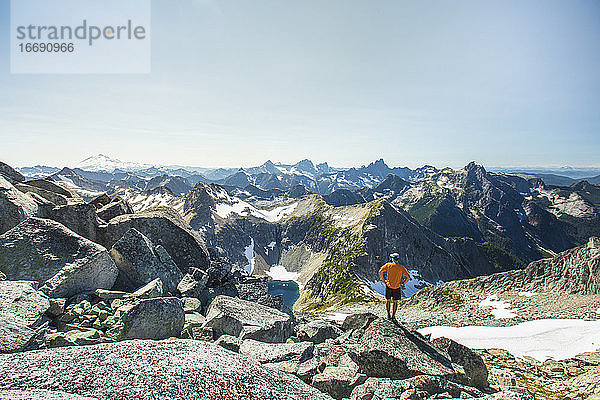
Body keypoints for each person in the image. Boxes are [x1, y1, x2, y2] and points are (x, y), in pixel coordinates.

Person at [379, 253, 410, 320]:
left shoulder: (388, 265)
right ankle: (393, 316)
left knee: (388, 300)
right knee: (395, 302)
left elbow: (380, 271)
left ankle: (388, 314)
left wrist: (383, 279)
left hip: (389, 285)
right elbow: (408, 277)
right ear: (398, 259)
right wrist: (403, 283)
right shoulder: (401, 267)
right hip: (397, 286)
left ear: (392, 259)